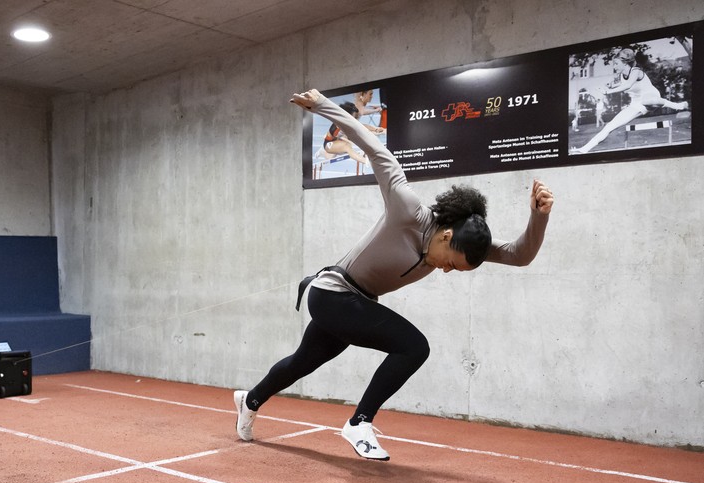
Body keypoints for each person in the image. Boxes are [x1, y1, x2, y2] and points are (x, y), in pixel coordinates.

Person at [234, 89, 554, 461]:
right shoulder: (408, 210)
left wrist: (539, 216)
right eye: (451, 262)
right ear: (447, 235)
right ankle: (359, 423)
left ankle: (249, 400)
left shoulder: (464, 245)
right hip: (334, 293)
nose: (448, 271)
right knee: (414, 346)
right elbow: (376, 149)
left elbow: (519, 255)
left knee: (302, 361)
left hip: (354, 302)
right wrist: (321, 105)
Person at [571, 48, 689, 154]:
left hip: (651, 96)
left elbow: (628, 85)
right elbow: (622, 85)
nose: (614, 67)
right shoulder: (622, 76)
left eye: (616, 64)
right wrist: (609, 87)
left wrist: (608, 91)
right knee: (610, 126)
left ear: (625, 63)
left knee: (646, 100)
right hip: (636, 104)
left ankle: (678, 106)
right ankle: (584, 149)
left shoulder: (636, 71)